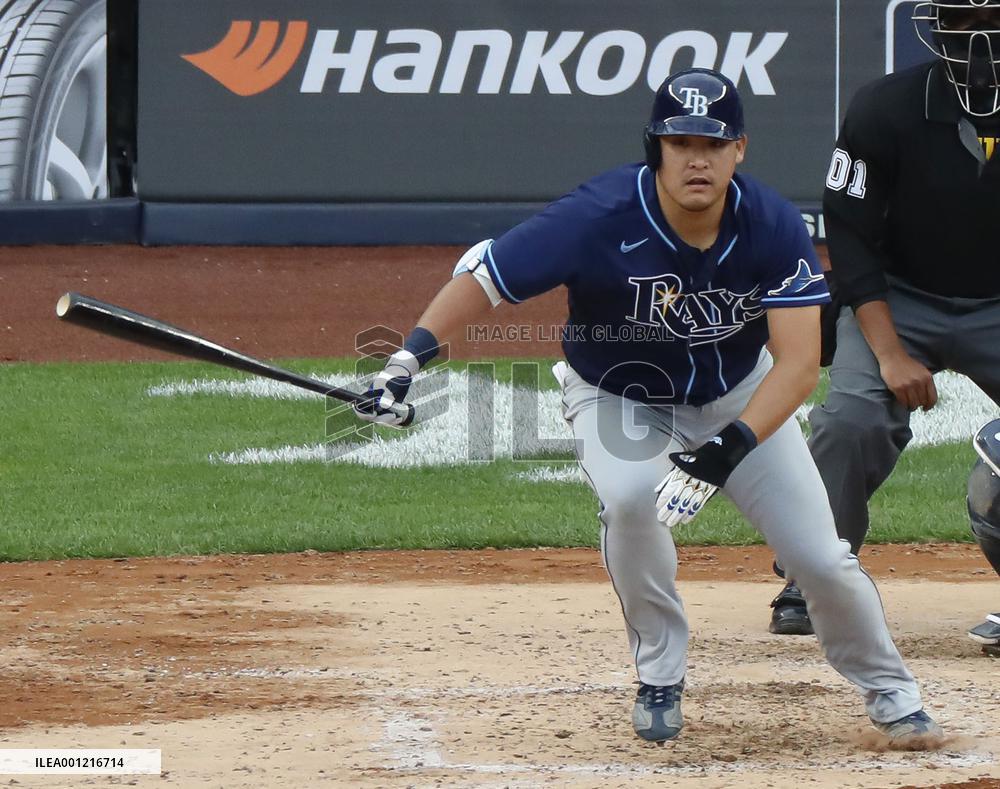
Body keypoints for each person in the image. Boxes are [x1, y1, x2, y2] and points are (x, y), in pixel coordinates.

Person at [357, 68, 943, 745]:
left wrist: (727, 449)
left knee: (821, 555)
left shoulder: (772, 224)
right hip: (617, 394)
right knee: (633, 498)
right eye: (681, 142)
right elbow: (485, 278)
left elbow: (799, 364)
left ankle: (890, 687)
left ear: (740, 150)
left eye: (714, 144)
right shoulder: (599, 215)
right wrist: (405, 363)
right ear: (654, 147)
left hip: (738, 395)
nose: (698, 159)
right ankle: (660, 671)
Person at [767, 0, 1000, 655]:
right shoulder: (885, 106)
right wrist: (889, 351)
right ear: (937, 25)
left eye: (992, 19)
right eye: (962, 21)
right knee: (850, 419)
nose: (977, 37)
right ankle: (813, 579)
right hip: (900, 297)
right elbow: (850, 230)